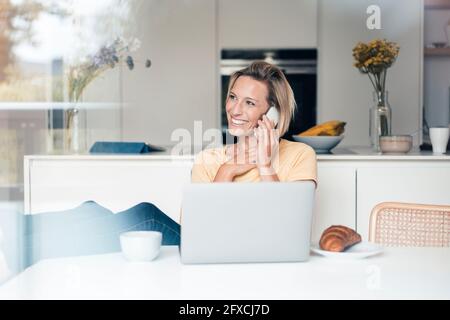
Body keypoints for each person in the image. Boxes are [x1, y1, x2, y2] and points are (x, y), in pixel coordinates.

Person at [21, 61, 317, 268]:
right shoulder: (210, 159)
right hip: (209, 247)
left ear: (273, 115)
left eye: (249, 103)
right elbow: (197, 230)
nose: (234, 110)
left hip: (252, 254)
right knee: (91, 208)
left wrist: (265, 165)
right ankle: (18, 236)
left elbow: (287, 228)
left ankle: (21, 245)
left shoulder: (300, 156)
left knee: (147, 216)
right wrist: (226, 170)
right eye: (232, 97)